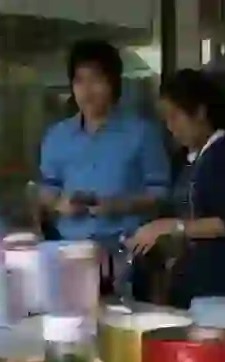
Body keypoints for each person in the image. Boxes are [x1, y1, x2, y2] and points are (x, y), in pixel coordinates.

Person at [126, 69, 225, 309]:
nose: (170, 127)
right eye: (166, 119)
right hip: (194, 287)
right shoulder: (192, 158)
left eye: (175, 117)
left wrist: (170, 227)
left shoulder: (224, 155)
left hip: (223, 288)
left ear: (200, 112)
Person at [37, 40, 170, 250]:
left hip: (126, 247)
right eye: (79, 81)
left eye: (96, 80)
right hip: (69, 248)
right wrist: (58, 204)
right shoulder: (57, 135)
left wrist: (120, 205)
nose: (87, 90)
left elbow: (161, 193)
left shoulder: (142, 133)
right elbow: (46, 188)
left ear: (113, 83)